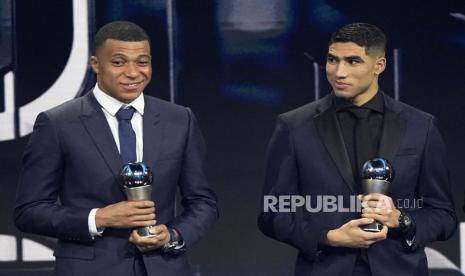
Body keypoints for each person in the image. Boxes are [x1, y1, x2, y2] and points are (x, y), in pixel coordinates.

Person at [14, 21, 218, 276]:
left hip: (163, 268)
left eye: (142, 62)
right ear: (95, 64)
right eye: (119, 62)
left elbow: (202, 202)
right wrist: (99, 218)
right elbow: (29, 211)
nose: (133, 73)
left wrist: (172, 235)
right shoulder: (58, 123)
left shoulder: (180, 119)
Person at [258, 23, 456, 276]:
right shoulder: (294, 126)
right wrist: (329, 237)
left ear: (379, 66)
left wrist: (401, 219)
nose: (339, 72)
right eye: (332, 60)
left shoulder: (420, 126)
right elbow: (272, 213)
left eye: (353, 61)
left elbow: (443, 215)